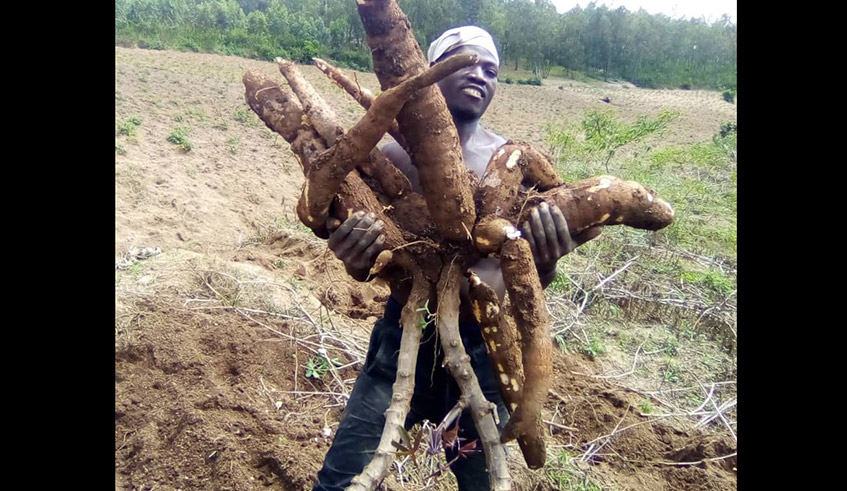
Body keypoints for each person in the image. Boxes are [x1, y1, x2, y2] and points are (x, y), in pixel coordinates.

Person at [314, 26, 601, 491]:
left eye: (491, 70)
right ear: (430, 72)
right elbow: (371, 264)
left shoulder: (515, 163)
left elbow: (528, 276)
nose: (481, 75)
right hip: (402, 336)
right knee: (340, 479)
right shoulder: (387, 157)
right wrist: (352, 253)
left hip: (486, 346)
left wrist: (545, 261)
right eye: (466, 62)